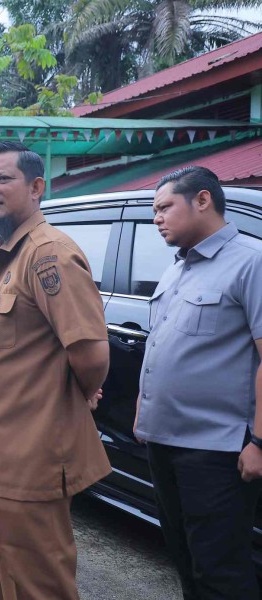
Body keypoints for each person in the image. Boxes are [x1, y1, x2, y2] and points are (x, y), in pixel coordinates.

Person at [0, 141, 110, 600]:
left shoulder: (48, 254)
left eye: (3, 179)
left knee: (37, 583)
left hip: (29, 456)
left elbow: (91, 354)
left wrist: (74, 395)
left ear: (36, 187)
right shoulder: (2, 253)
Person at [134, 166, 262, 599]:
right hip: (164, 440)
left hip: (217, 449)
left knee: (218, 568)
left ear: (203, 200)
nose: (157, 219)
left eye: (164, 207)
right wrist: (144, 409)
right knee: (184, 556)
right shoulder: (176, 268)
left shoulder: (251, 262)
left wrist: (259, 442)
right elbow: (162, 346)